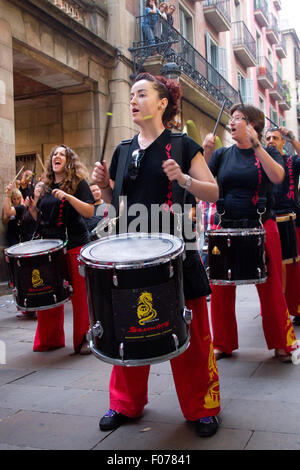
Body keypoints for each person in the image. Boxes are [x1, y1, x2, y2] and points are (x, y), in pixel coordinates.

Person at [92, 72, 221, 437]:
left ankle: (203, 406)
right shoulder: (122, 150)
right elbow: (114, 205)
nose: (133, 100)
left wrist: (183, 179)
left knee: (193, 333)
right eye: (131, 95)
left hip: (179, 251)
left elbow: (212, 192)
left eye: (141, 94)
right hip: (132, 252)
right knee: (128, 328)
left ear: (162, 103)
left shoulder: (183, 145)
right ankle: (124, 404)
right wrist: (104, 187)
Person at [203, 104, 299, 363]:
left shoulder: (267, 151)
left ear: (253, 125)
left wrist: (257, 145)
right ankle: (222, 342)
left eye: (238, 118)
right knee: (220, 286)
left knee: (270, 286)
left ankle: (282, 343)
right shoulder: (222, 155)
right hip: (227, 225)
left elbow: (277, 176)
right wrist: (206, 152)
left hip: (261, 225)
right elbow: (201, 182)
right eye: (231, 118)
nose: (231, 122)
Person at [27, 145, 94, 354]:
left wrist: (68, 197)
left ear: (69, 161)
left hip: (74, 243)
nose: (57, 156)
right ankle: (50, 339)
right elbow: (45, 220)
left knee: (80, 295)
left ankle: (84, 339)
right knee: (48, 293)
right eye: (55, 154)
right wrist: (32, 209)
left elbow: (90, 211)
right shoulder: (45, 186)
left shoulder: (78, 183)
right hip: (50, 247)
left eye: (62, 154)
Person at [266, 127, 300, 326]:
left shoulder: (291, 162)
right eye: (268, 138)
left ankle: (294, 307)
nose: (270, 141)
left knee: (293, 268)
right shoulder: (260, 160)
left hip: (290, 220)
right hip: (268, 220)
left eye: (275, 138)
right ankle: (277, 309)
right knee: (272, 270)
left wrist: (292, 138)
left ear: (282, 142)